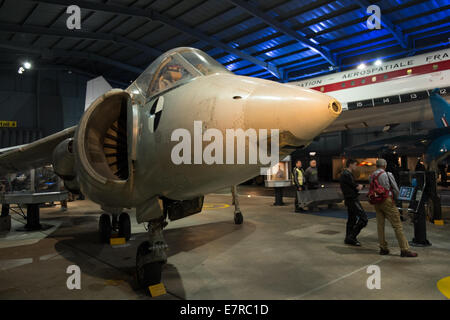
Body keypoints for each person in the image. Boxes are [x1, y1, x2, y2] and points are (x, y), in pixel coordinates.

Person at [369, 159, 418, 257]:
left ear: (376, 166)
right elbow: (395, 188)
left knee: (380, 225)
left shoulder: (372, 176)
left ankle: (383, 248)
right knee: (397, 225)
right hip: (387, 201)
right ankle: (404, 249)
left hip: (376, 202)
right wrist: (398, 198)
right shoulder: (387, 174)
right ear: (385, 165)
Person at [339, 159, 368, 246]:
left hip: (349, 199)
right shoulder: (346, 174)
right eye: (355, 165)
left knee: (352, 219)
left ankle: (349, 238)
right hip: (352, 199)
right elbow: (355, 186)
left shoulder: (345, 174)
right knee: (363, 219)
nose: (356, 166)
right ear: (350, 164)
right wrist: (359, 186)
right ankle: (351, 236)